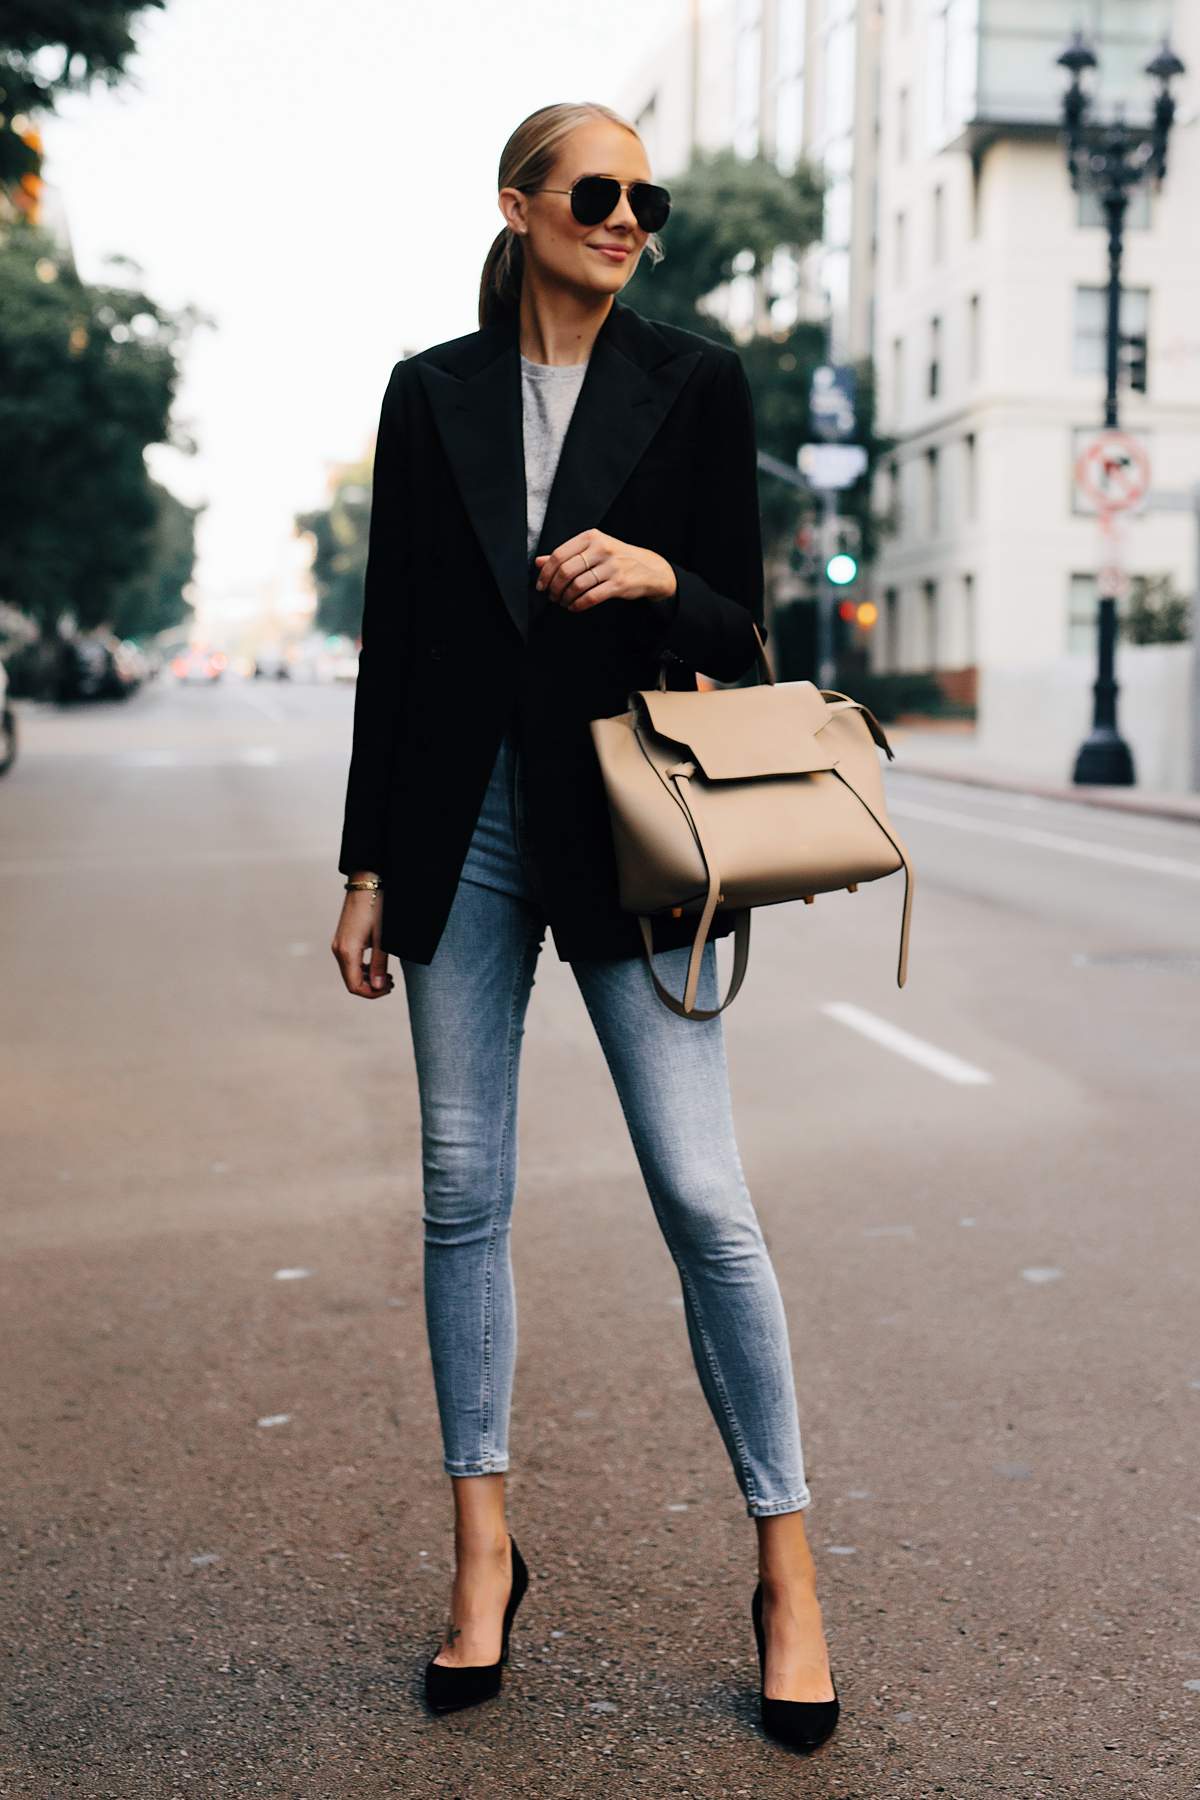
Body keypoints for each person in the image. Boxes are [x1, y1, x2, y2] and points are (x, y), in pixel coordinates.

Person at [331, 100, 837, 1751]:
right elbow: (396, 640)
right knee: (464, 1188)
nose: (628, 218)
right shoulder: (433, 394)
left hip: (629, 821)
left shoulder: (694, 380)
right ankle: (482, 1554)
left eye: (646, 198)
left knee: (705, 1196)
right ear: (523, 205)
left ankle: (788, 1569)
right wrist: (365, 867)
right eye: (598, 192)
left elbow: (743, 624)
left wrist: (654, 582)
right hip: (461, 824)